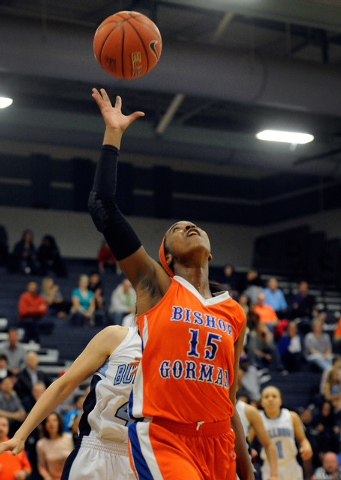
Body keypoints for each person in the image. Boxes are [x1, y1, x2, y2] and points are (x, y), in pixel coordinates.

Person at [87, 88, 253, 480]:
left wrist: (248, 472)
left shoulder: (235, 314)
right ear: (167, 257)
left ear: (210, 253)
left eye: (193, 226)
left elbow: (229, 405)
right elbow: (102, 206)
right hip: (165, 439)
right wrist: (114, 134)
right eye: (177, 229)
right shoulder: (159, 287)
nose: (188, 226)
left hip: (218, 444)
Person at [0, 325, 141, 480]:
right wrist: (20, 435)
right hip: (97, 450)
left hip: (142, 456)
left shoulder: (168, 353)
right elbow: (63, 385)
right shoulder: (119, 336)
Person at [259, 385, 313, 480]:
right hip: (269, 468)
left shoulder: (291, 416)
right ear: (261, 402)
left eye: (274, 396)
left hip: (291, 466)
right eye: (266, 397)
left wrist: (306, 446)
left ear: (280, 401)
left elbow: (302, 439)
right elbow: (247, 441)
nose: (270, 399)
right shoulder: (258, 419)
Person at [236, 394, 278, 480]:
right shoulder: (209, 406)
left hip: (243, 472)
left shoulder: (248, 411)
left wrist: (274, 475)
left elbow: (268, 444)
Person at [36, 412, 73, 480]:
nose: (51, 424)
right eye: (48, 421)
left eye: (54, 420)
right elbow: (41, 466)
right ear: (45, 425)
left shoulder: (69, 438)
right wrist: (47, 477)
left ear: (59, 423)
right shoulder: (41, 444)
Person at [0, 415, 32, 480]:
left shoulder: (15, 445)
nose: (1, 428)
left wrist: (23, 473)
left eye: (4, 425)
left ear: (8, 428)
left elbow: (28, 468)